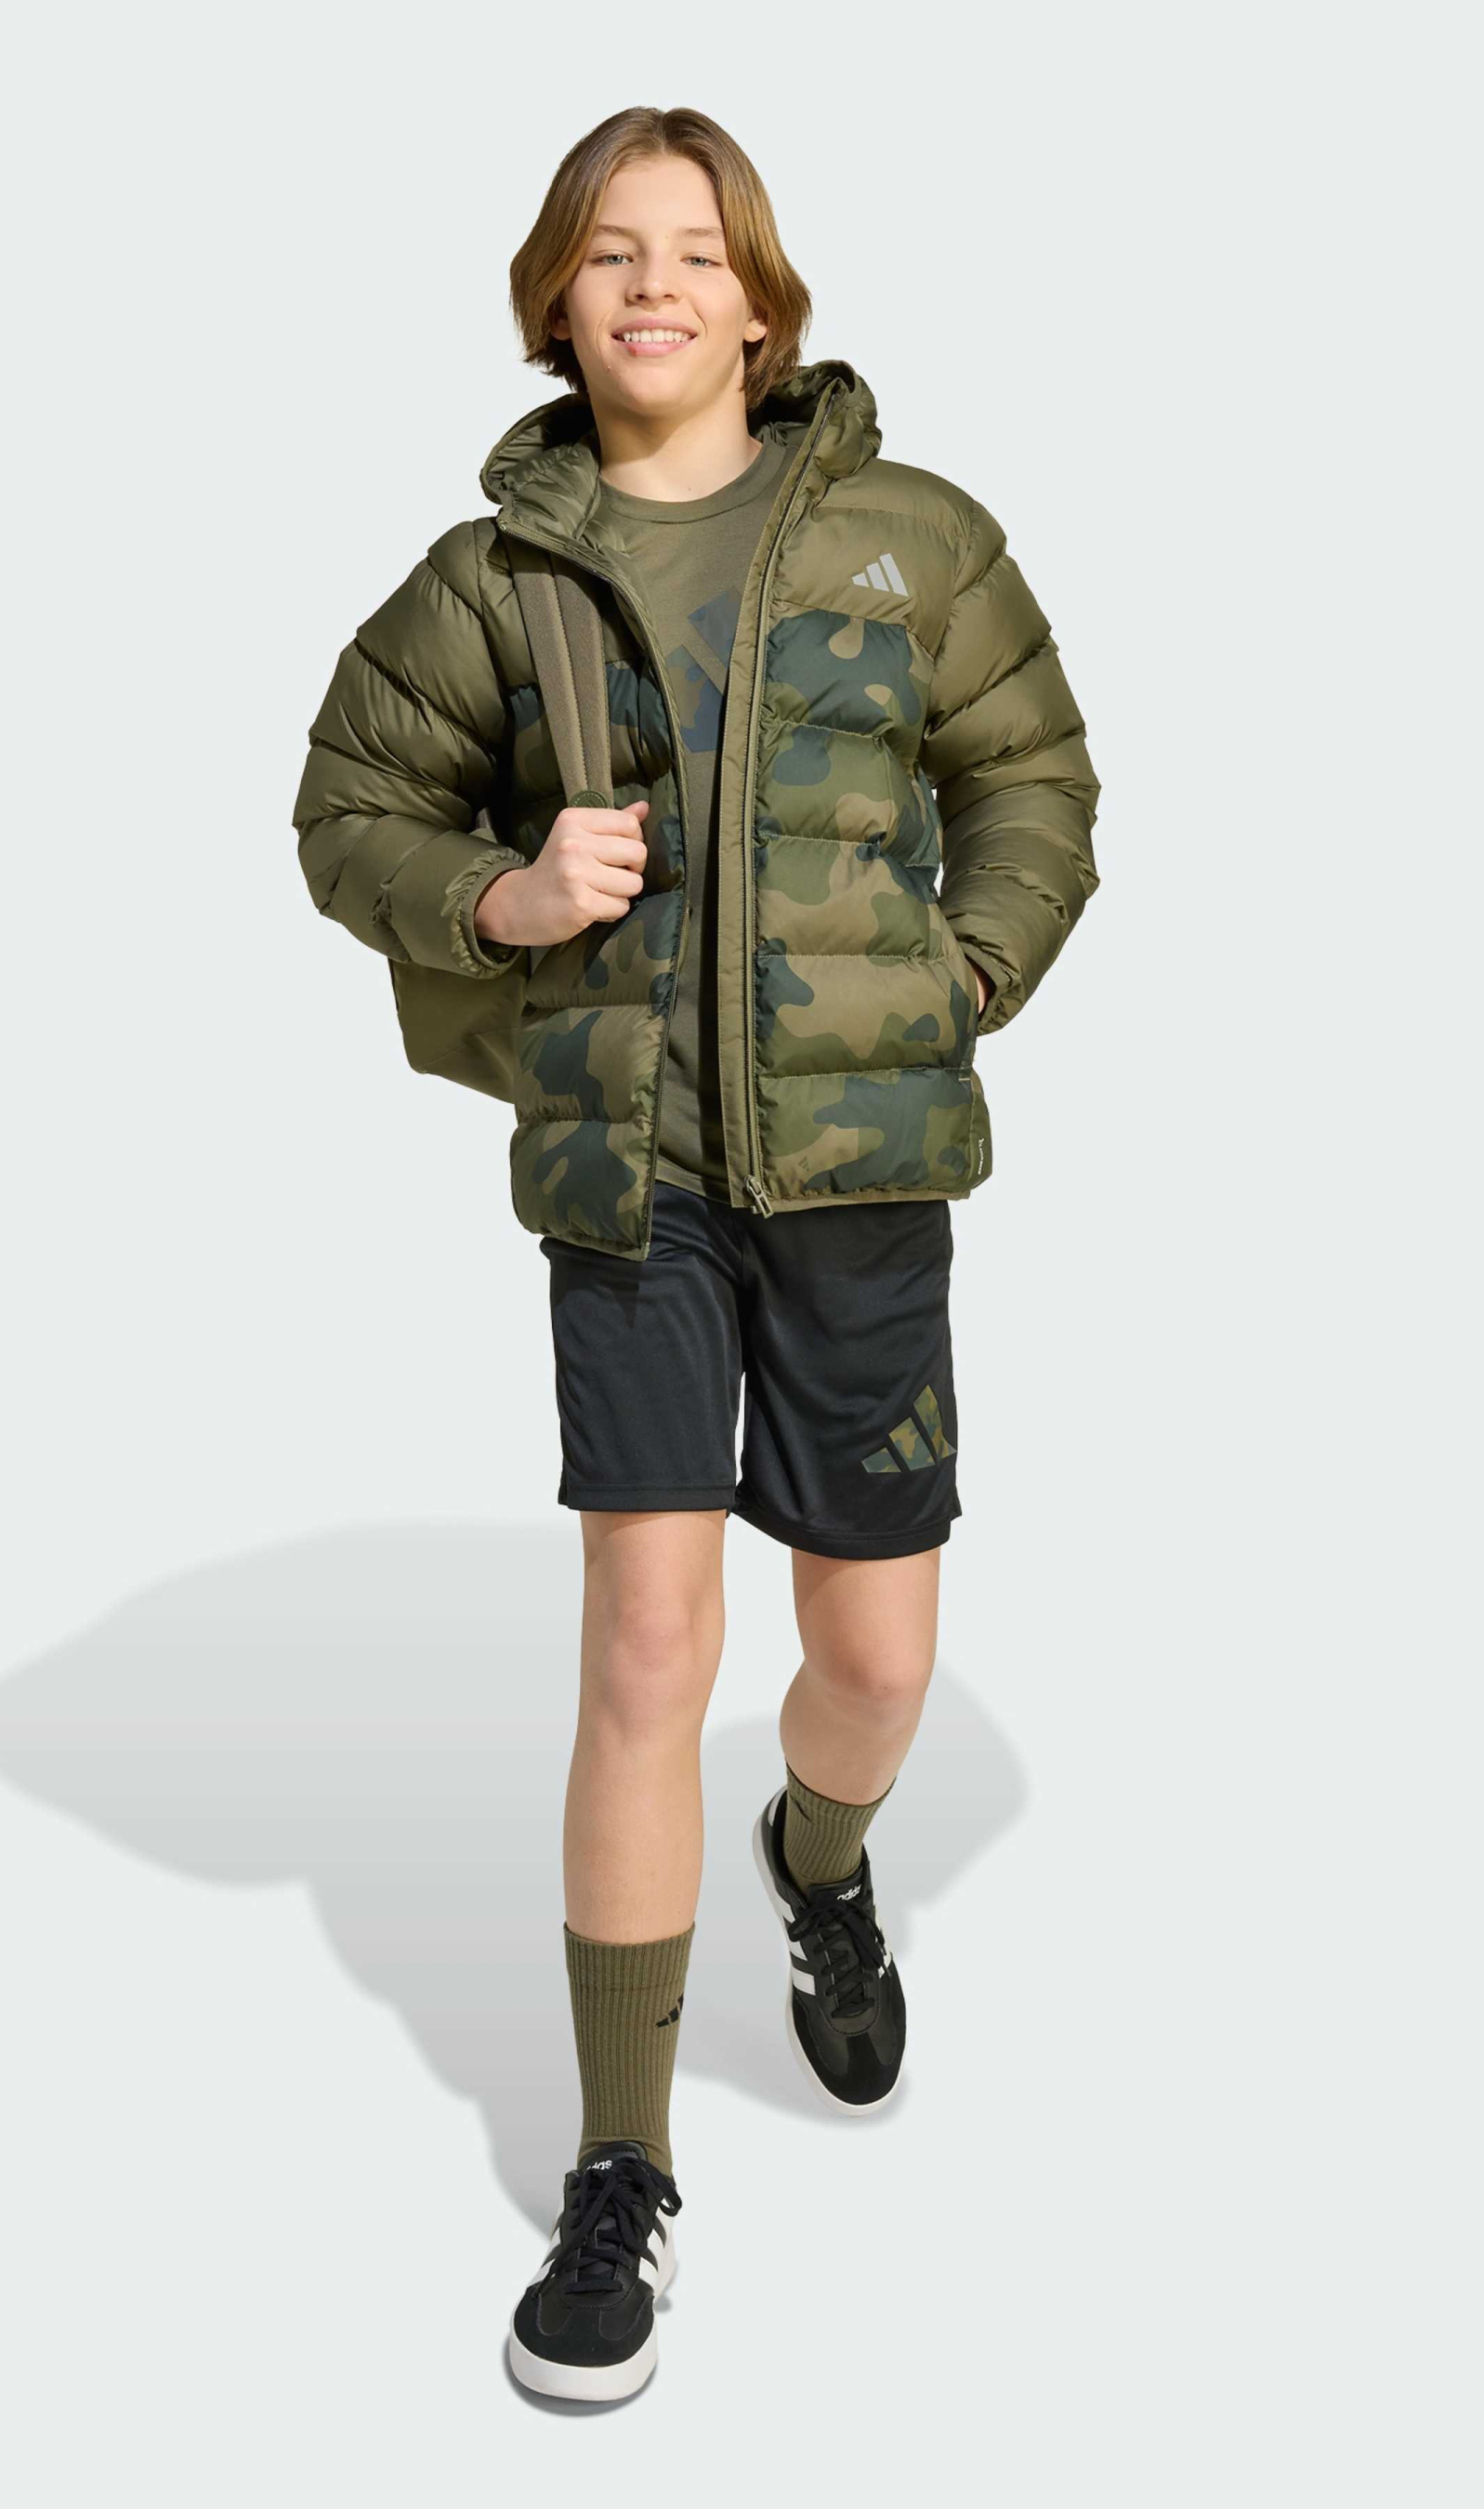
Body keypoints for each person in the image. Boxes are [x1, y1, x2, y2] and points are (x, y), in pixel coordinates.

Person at [293, 104, 1099, 2403]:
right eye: (607, 252)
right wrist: (499, 893)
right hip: (627, 1179)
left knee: (873, 1658)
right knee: (646, 1644)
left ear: (761, 302)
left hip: (862, 1179)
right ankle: (619, 2167)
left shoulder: (912, 540)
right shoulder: (490, 586)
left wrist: (960, 974)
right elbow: (345, 810)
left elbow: (1036, 782)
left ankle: (818, 1865)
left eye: (694, 250)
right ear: (554, 303)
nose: (652, 283)